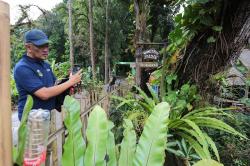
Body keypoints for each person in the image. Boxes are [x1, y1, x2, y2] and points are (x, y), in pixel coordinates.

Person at [14, 29, 82, 121]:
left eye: (47, 46)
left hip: (47, 117)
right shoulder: (22, 68)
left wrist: (68, 81)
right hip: (31, 121)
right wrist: (70, 82)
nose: (45, 50)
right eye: (41, 46)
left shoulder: (45, 65)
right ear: (28, 47)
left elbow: (55, 86)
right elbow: (44, 94)